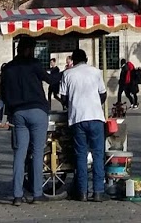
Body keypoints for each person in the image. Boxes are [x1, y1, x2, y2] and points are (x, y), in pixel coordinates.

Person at [0, 35, 50, 206]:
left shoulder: (8, 68)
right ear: (29, 49)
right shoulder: (34, 64)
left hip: (18, 113)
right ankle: (37, 193)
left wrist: (9, 113)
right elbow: (50, 79)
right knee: (37, 152)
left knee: (19, 154)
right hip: (37, 110)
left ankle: (17, 195)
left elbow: (2, 93)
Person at [58, 48, 108, 202]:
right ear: (86, 59)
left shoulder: (67, 74)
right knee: (98, 154)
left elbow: (63, 97)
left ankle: (82, 192)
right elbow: (103, 94)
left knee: (80, 155)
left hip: (77, 118)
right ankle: (98, 191)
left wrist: (72, 104)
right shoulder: (95, 72)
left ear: (73, 59)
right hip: (96, 117)